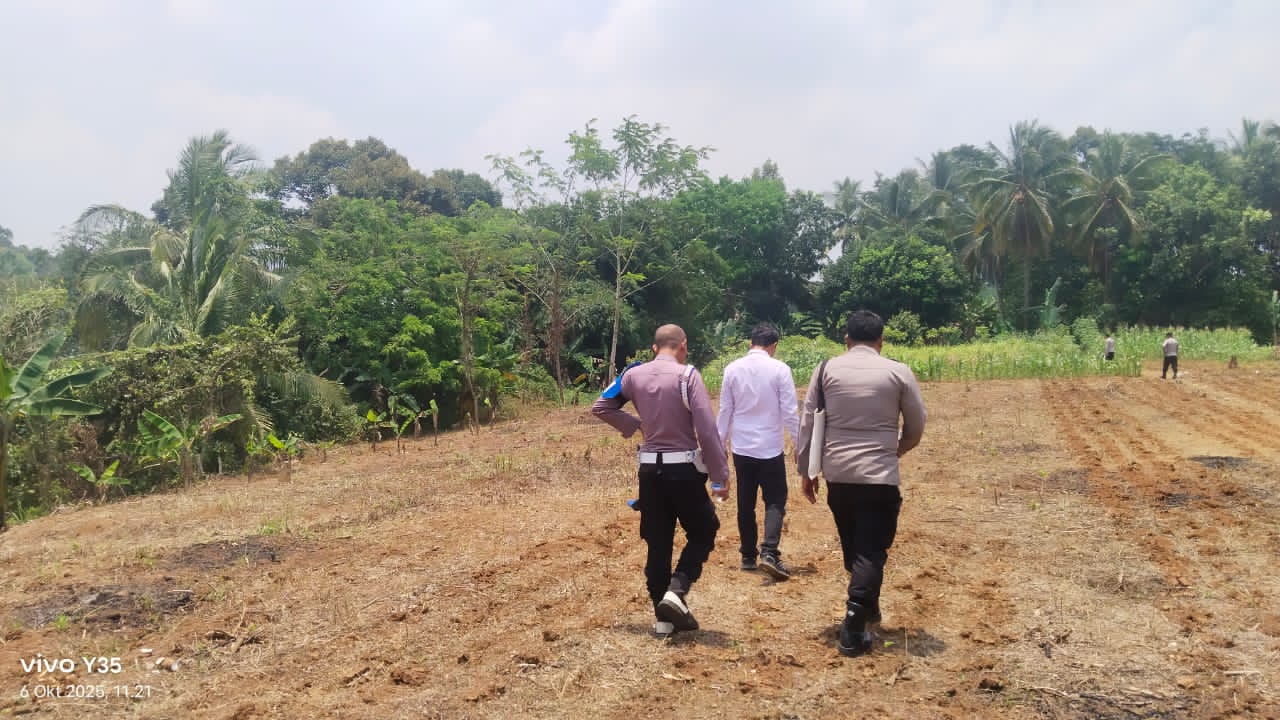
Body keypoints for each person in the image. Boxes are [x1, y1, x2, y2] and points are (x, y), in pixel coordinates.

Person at [796, 310, 926, 658]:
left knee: (855, 546)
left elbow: (808, 422)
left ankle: (869, 604)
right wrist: (897, 449)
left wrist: (807, 471)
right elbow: (916, 424)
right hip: (879, 476)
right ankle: (854, 625)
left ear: (847, 340)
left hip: (839, 476)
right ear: (881, 341)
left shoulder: (826, 369)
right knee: (870, 551)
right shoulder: (898, 371)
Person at [591, 324, 730, 638]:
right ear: (683, 346)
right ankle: (676, 591)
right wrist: (720, 476)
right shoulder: (687, 376)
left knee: (658, 540)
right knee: (704, 530)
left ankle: (662, 618)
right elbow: (707, 430)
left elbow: (601, 406)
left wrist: (635, 424)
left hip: (649, 472)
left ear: (654, 348)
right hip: (683, 471)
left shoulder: (632, 375)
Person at [716, 322, 801, 580]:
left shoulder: (732, 369)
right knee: (775, 500)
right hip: (770, 447)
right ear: (774, 345)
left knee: (745, 501)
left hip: (742, 446)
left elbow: (725, 411)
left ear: (750, 343)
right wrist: (800, 444)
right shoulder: (780, 369)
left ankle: (747, 556)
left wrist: (719, 446)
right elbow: (790, 412)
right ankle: (769, 552)